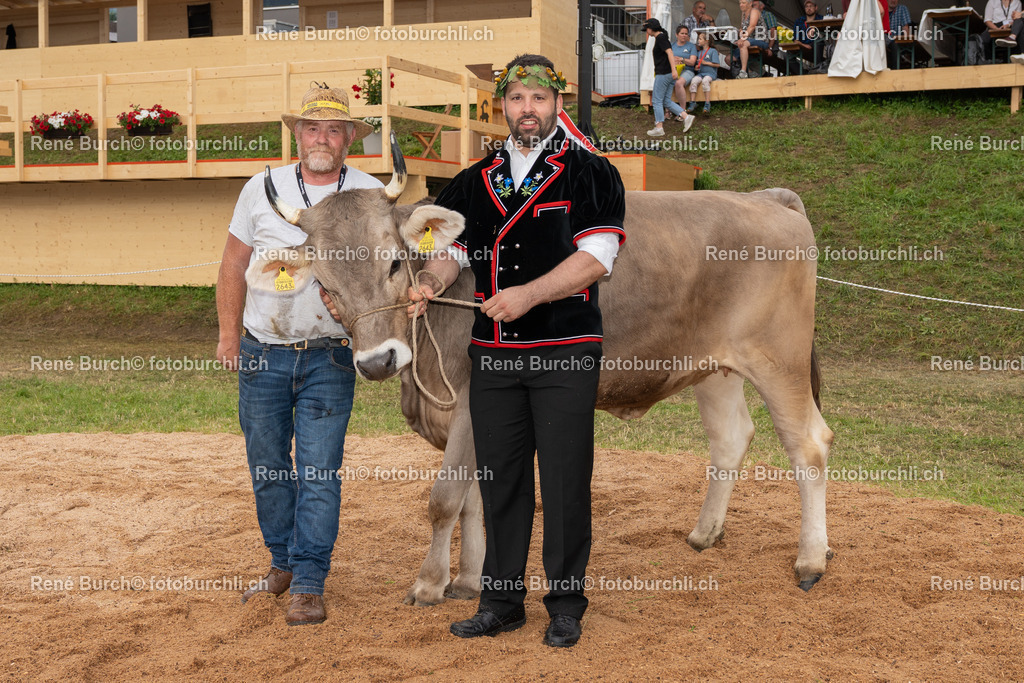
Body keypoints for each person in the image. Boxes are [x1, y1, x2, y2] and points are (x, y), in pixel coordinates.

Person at [408, 54, 625, 649]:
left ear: (557, 101)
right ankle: (501, 601)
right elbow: (455, 247)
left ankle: (565, 604)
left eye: (538, 97)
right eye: (516, 99)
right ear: (500, 106)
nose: (527, 109)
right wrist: (428, 281)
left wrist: (527, 295)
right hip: (496, 354)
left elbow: (597, 257)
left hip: (564, 350)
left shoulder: (590, 172)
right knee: (500, 480)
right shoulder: (476, 179)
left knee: (562, 480)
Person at [215, 83, 383, 627]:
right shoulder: (259, 189)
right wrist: (227, 336)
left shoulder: (370, 192)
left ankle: (309, 581)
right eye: (312, 128)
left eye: (335, 129)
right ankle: (282, 563)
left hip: (330, 357)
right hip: (263, 352)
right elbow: (232, 265)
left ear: (350, 139)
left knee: (319, 471)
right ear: (297, 134)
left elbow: (387, 271)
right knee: (267, 468)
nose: (323, 138)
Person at [643, 18, 694, 136]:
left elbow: (670, 52)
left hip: (664, 74)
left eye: (647, 29)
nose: (646, 31)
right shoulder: (662, 35)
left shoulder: (660, 38)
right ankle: (686, 117)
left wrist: (673, 70)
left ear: (651, 28)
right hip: (669, 74)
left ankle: (659, 127)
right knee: (665, 100)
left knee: (656, 100)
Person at [733, 0, 771, 78]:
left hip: (761, 40)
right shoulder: (743, 14)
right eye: (740, 3)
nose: (741, 5)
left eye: (743, 3)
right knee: (730, 58)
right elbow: (742, 28)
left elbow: (752, 26)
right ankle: (753, 72)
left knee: (743, 44)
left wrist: (742, 39)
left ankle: (743, 72)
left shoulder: (754, 11)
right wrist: (739, 35)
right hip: (749, 40)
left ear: (750, 4)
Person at [688, 32, 721, 113]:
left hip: (710, 74)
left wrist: (705, 63)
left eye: (700, 39)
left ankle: (707, 103)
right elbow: (697, 65)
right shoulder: (699, 53)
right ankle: (692, 102)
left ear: (706, 41)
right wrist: (696, 67)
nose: (698, 40)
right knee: (693, 81)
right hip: (700, 74)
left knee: (705, 81)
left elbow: (717, 65)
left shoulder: (712, 51)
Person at [673, 25, 700, 115]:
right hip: (674, 70)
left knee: (679, 83)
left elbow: (692, 62)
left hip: (687, 70)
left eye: (686, 34)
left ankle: (682, 111)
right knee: (666, 82)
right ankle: (667, 111)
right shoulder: (671, 46)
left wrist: (682, 59)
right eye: (682, 33)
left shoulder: (691, 46)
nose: (684, 35)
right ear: (676, 35)